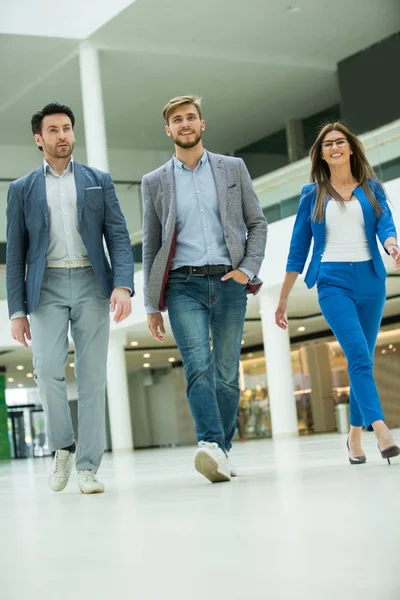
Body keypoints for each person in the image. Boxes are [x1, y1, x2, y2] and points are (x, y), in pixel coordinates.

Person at [6, 102, 134, 493]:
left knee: (93, 379)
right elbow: (15, 253)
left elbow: (117, 236)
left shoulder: (98, 179)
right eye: (54, 130)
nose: (63, 136)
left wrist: (123, 284)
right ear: (39, 139)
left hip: (92, 283)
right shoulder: (22, 188)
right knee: (47, 372)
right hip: (45, 287)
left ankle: (88, 467)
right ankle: (64, 445)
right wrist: (16, 310)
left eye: (67, 128)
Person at [142, 95, 267, 482]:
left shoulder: (233, 168)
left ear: (202, 124)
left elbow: (257, 223)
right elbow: (151, 243)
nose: (185, 124)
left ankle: (222, 451)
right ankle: (210, 443)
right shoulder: (155, 182)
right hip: (183, 284)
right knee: (198, 367)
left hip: (229, 281)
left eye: (190, 118)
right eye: (177, 120)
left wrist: (248, 269)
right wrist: (151, 303)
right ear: (168, 129)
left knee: (227, 373)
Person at [275, 122, 400, 465]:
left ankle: (354, 437)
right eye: (327, 144)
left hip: (371, 281)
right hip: (332, 282)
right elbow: (298, 250)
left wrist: (392, 245)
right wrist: (284, 296)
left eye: (339, 142)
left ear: (350, 148)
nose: (334, 147)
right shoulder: (311, 195)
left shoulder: (372, 188)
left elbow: (386, 225)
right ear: (321, 154)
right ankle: (382, 430)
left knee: (363, 360)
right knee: (359, 355)